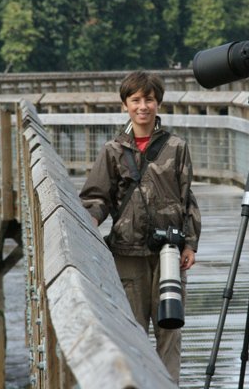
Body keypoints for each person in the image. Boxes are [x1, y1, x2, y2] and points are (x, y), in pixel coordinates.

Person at [79, 70, 201, 384]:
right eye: (135, 100)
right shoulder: (113, 150)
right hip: (126, 254)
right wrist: (90, 221)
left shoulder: (176, 147)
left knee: (169, 331)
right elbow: (95, 197)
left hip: (169, 255)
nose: (142, 106)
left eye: (149, 99)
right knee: (131, 332)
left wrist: (190, 244)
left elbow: (188, 198)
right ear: (125, 105)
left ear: (158, 103)